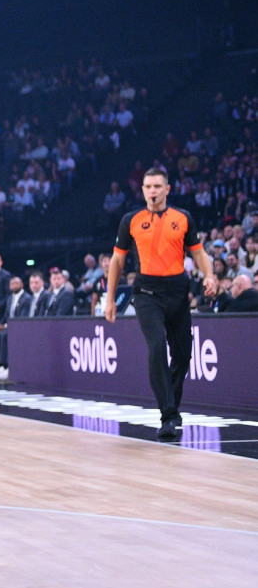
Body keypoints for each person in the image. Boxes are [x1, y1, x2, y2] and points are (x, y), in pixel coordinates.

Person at [105, 166, 217, 442]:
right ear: (142, 190)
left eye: (157, 186)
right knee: (156, 347)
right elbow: (117, 261)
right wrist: (110, 299)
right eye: (148, 187)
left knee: (183, 354)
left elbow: (199, 254)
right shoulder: (130, 220)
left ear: (167, 189)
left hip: (178, 290)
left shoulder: (183, 218)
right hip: (146, 291)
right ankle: (168, 415)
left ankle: (172, 408)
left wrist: (210, 275)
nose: (152, 191)